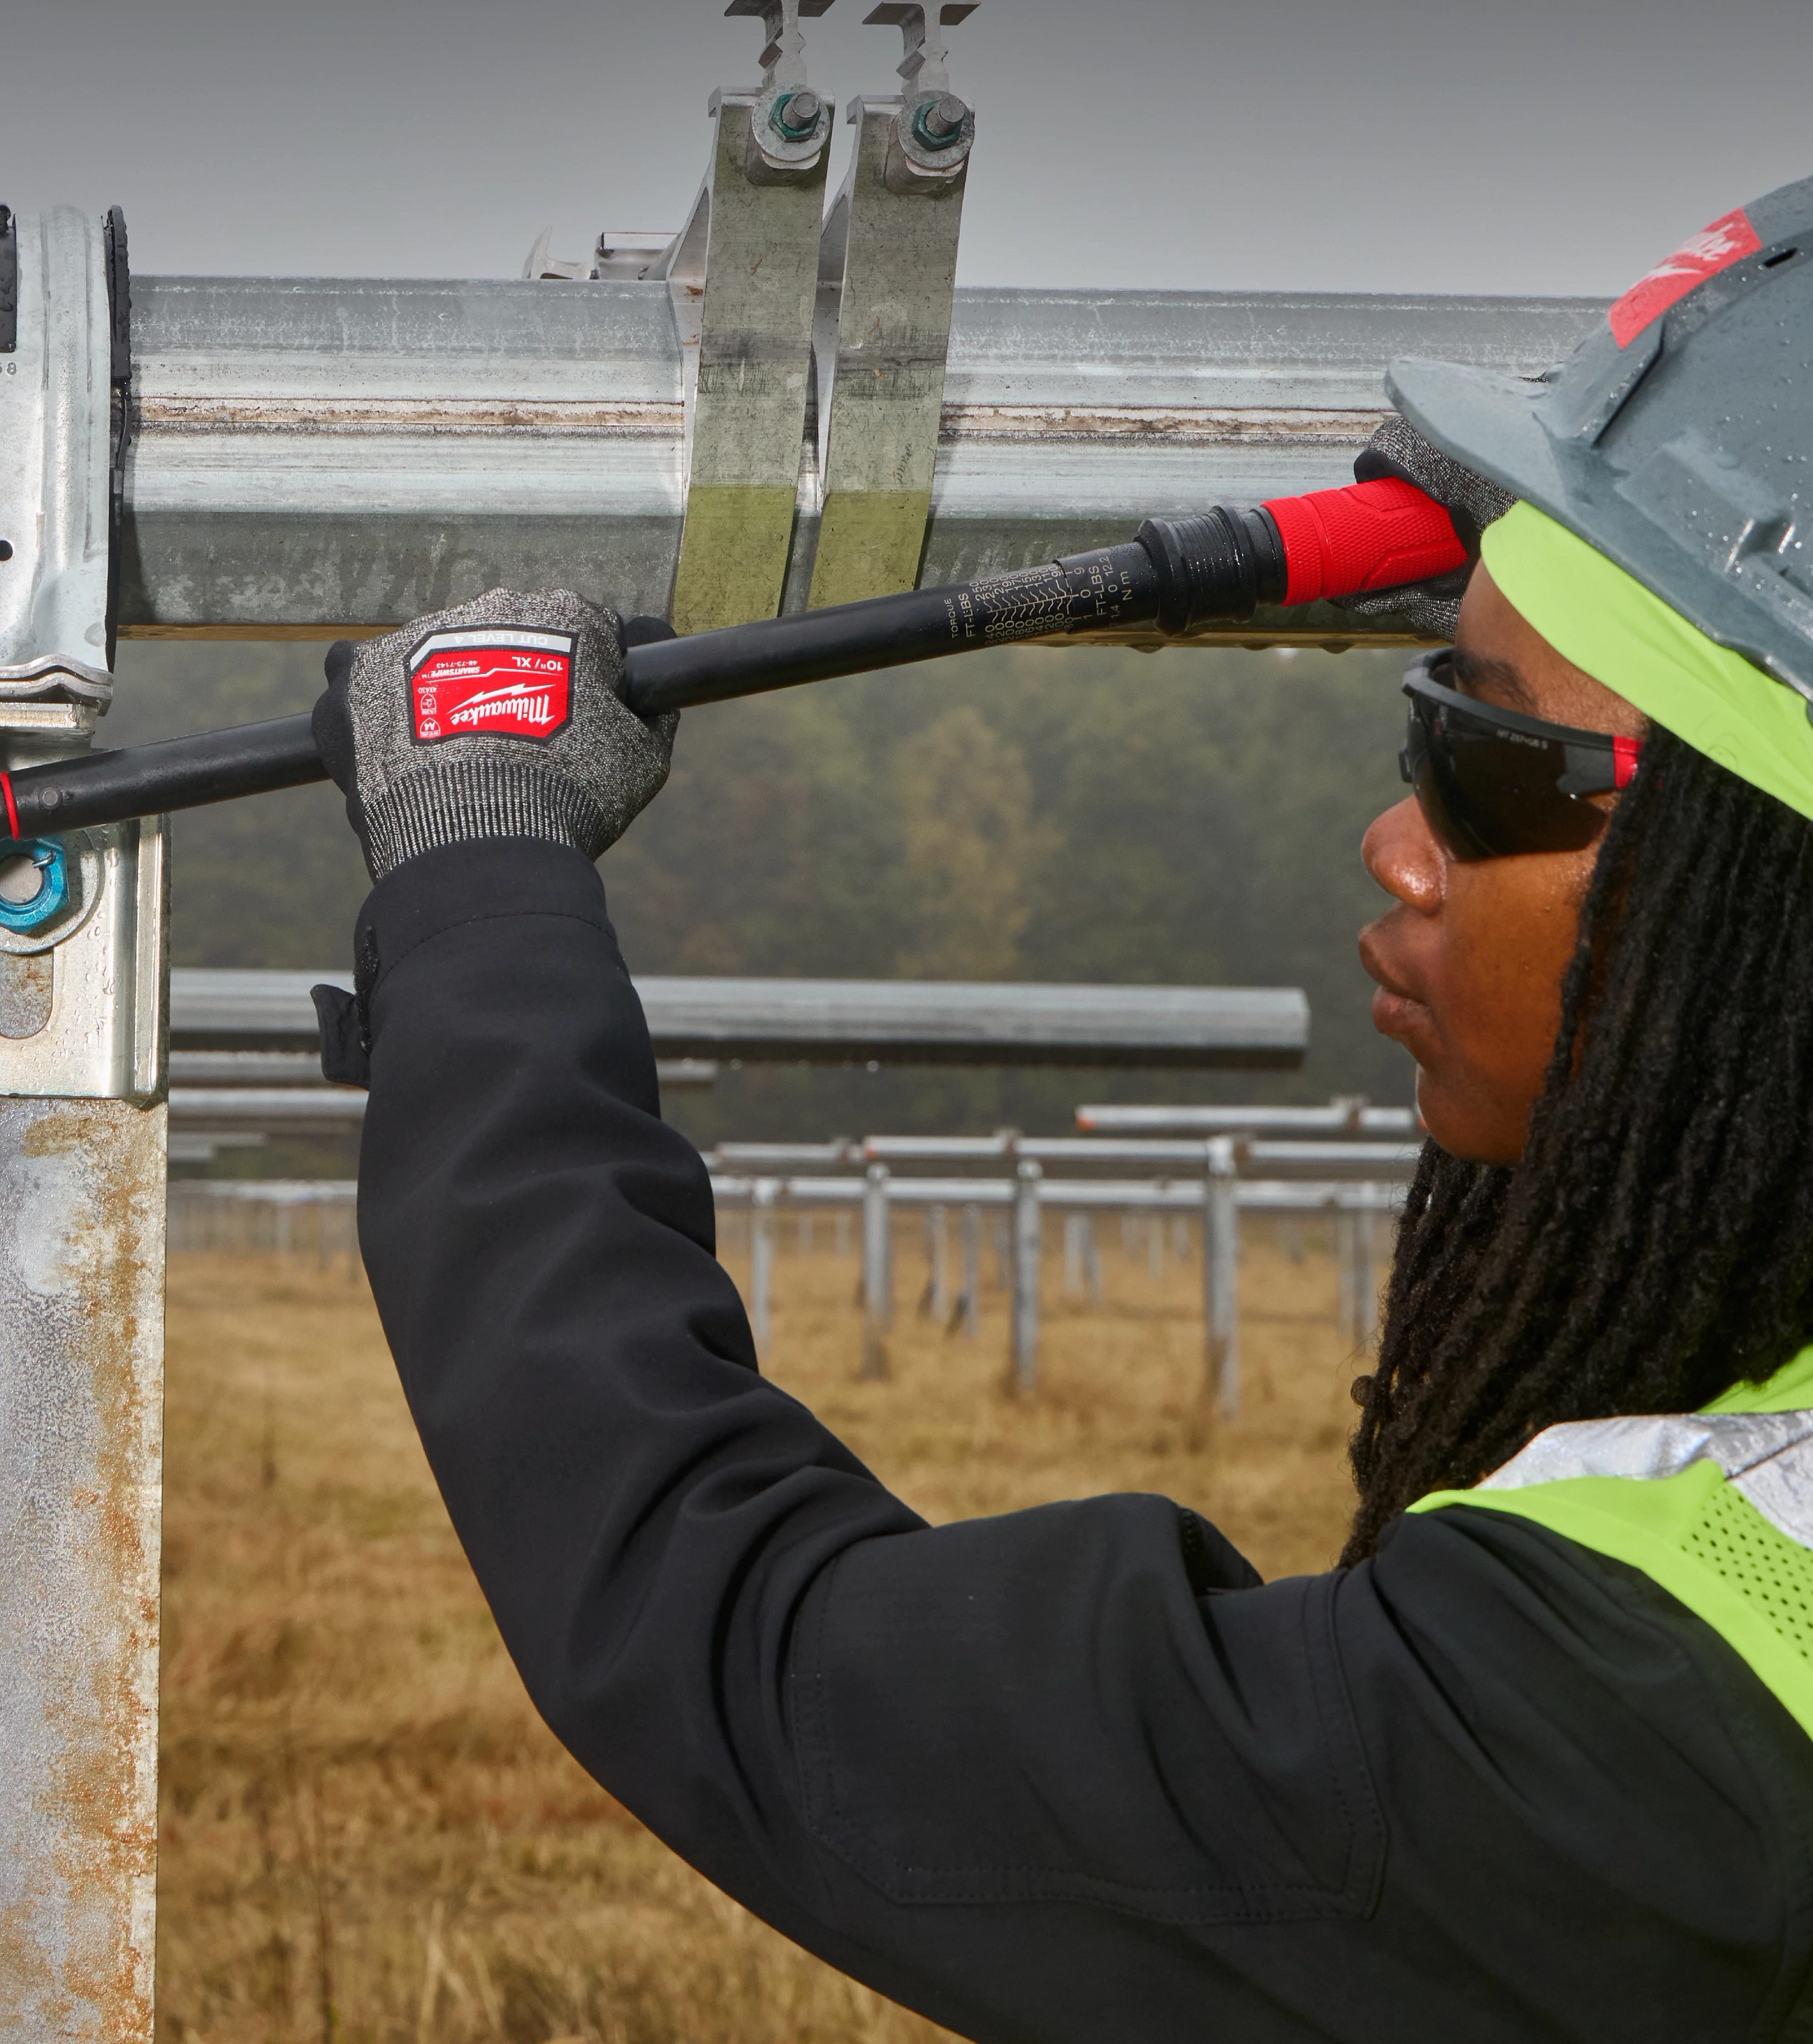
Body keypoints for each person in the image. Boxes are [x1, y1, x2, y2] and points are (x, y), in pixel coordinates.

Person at [305, 178, 1813, 2040]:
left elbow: (785, 1672)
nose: (1399, 843)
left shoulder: (1664, 1706)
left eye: (1486, 757)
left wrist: (479, 889)